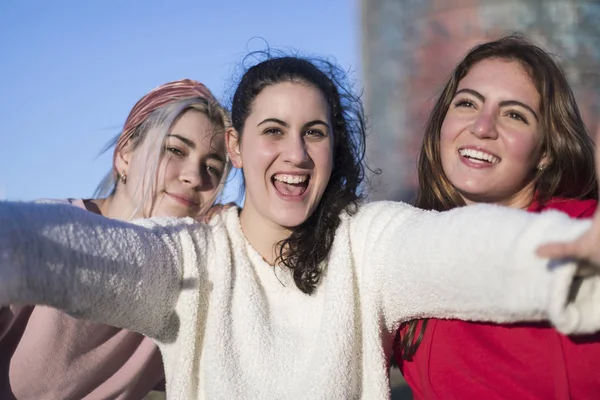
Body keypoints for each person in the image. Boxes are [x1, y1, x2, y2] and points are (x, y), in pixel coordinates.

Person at [1, 55, 600, 400]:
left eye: (315, 133)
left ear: (334, 150)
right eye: (273, 131)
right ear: (235, 146)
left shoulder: (368, 240)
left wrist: (573, 255)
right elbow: (81, 253)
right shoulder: (193, 257)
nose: (295, 154)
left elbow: (456, 250)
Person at [394, 35, 600, 400]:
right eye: (467, 103)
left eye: (514, 114)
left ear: (546, 151)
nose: (482, 126)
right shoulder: (407, 250)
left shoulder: (579, 229)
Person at [0, 79, 231, 399]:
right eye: (175, 150)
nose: (194, 176)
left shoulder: (193, 276)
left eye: (213, 167)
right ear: (125, 155)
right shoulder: (45, 234)